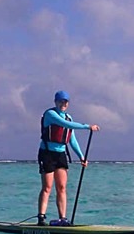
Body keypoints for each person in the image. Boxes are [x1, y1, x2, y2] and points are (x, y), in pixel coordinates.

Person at [38, 90, 99, 225]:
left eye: (65, 102)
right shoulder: (50, 114)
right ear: (55, 102)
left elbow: (72, 139)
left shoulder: (69, 117)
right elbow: (65, 125)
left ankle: (63, 218)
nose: (63, 104)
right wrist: (87, 127)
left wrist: (81, 156)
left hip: (61, 155)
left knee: (62, 187)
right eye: (60, 102)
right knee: (47, 187)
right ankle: (41, 218)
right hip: (47, 154)